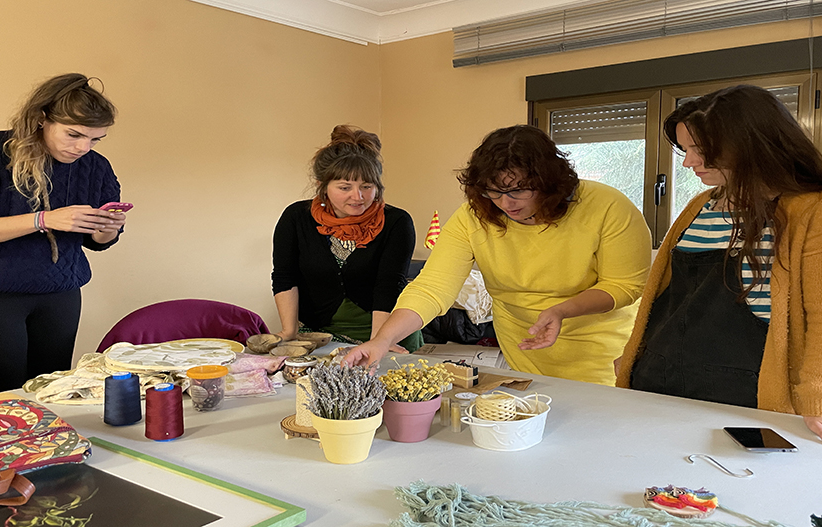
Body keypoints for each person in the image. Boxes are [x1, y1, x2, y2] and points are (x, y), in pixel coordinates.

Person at [615, 85, 822, 446]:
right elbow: (666, 302)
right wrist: (633, 356)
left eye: (700, 151)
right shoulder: (701, 205)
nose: (688, 163)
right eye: (685, 150)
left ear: (749, 143)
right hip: (658, 381)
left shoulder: (820, 209)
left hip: (745, 394)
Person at [345, 125, 652, 385]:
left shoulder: (608, 207)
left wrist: (562, 310)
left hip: (601, 357)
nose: (505, 203)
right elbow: (433, 288)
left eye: (518, 190)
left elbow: (624, 286)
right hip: (523, 352)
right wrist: (383, 339)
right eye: (493, 191)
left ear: (550, 182)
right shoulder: (474, 216)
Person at [0, 73, 127, 395]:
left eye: (95, 140)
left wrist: (106, 229)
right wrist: (44, 220)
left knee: (52, 391)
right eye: (73, 134)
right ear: (40, 119)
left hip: (58, 291)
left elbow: (96, 243)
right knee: (1, 394)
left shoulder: (95, 167)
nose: (83, 148)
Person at [271, 125, 423, 351]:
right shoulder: (296, 218)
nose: (357, 197)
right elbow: (285, 276)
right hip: (318, 335)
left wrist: (379, 341)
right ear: (322, 186)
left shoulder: (396, 222)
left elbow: (389, 284)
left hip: (385, 333)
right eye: (345, 187)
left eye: (366, 186)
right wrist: (289, 331)